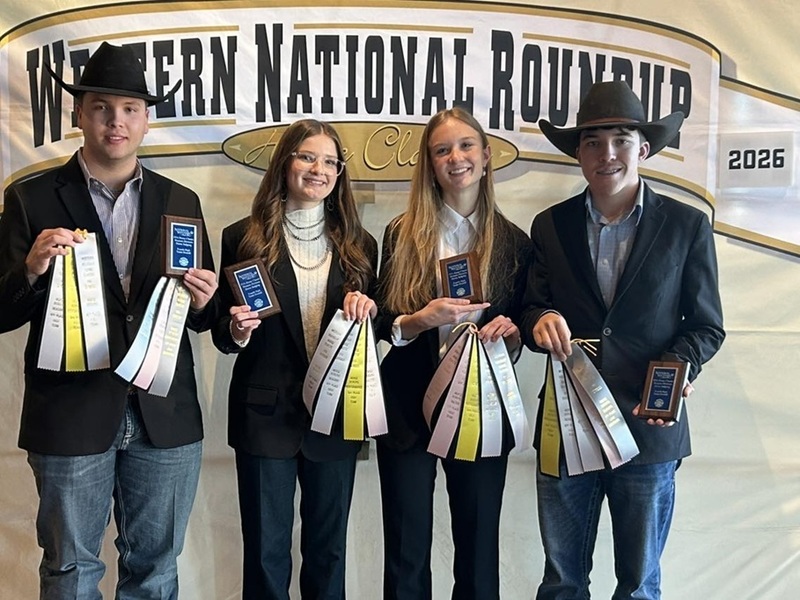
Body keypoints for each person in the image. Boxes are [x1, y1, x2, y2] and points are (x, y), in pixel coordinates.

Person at [0, 42, 218, 599]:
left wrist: (205, 301)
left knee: (156, 571)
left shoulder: (182, 200)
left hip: (163, 416)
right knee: (70, 572)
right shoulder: (29, 199)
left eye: (129, 109)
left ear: (147, 120)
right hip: (70, 412)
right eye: (101, 107)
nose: (115, 121)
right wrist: (30, 270)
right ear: (80, 115)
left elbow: (203, 316)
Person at [519, 80, 726, 599]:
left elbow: (706, 326)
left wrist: (677, 369)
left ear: (644, 148)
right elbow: (529, 306)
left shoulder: (687, 226)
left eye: (619, 139)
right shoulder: (550, 226)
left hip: (649, 426)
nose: (605, 153)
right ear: (578, 153)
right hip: (567, 426)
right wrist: (540, 318)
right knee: (562, 581)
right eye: (592, 141)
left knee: (638, 585)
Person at [211, 118, 378, 600]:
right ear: (285, 162)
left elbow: (377, 327)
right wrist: (237, 330)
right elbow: (222, 331)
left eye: (329, 161)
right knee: (265, 555)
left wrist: (370, 312)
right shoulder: (242, 238)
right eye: (307, 156)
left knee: (329, 555)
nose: (318, 169)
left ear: (339, 174)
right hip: (263, 415)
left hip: (335, 419)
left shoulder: (359, 248)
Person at [374, 107, 532, 600]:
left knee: (479, 553)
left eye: (465, 146)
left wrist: (512, 334)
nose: (455, 157)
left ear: (486, 157)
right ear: (429, 163)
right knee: (405, 553)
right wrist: (418, 320)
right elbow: (382, 320)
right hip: (405, 407)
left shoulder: (515, 242)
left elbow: (524, 324)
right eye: (442, 150)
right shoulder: (400, 234)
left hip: (482, 411)